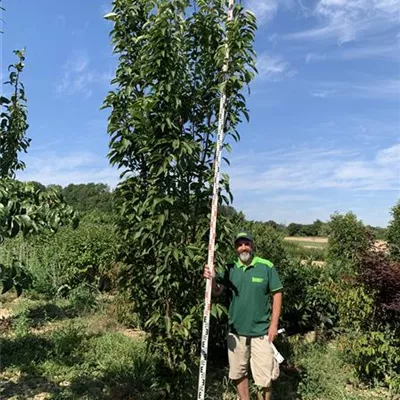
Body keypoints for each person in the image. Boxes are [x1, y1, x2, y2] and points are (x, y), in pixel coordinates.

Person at [204, 231, 283, 400]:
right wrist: (211, 279)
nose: (243, 248)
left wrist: (273, 325)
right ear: (235, 248)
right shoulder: (230, 267)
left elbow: (277, 294)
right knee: (238, 372)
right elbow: (217, 291)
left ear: (252, 246)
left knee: (264, 378)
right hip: (236, 331)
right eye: (239, 245)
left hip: (262, 332)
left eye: (246, 243)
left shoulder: (266, 266)